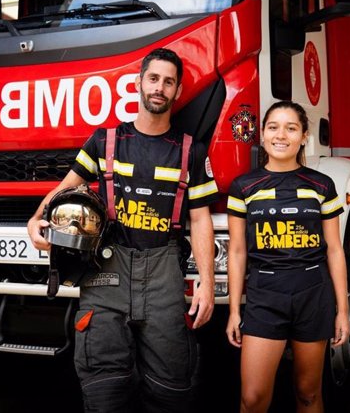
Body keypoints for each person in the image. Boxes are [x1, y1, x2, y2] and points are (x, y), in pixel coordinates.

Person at [28, 48, 218, 412]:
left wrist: (207, 283)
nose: (159, 88)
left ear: (177, 91)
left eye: (168, 82)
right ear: (139, 83)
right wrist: (35, 218)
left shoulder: (191, 151)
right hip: (105, 274)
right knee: (104, 390)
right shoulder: (105, 141)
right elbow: (63, 191)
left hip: (164, 278)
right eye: (153, 78)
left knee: (172, 390)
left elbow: (200, 220)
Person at [225, 101, 350, 413]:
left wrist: (342, 311)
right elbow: (238, 251)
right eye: (273, 127)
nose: (281, 135)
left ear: (304, 136)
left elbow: (334, 250)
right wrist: (233, 310)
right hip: (265, 296)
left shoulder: (321, 186)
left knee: (308, 394)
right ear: (262, 135)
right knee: (252, 399)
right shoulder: (243, 187)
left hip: (313, 294)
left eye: (291, 128)